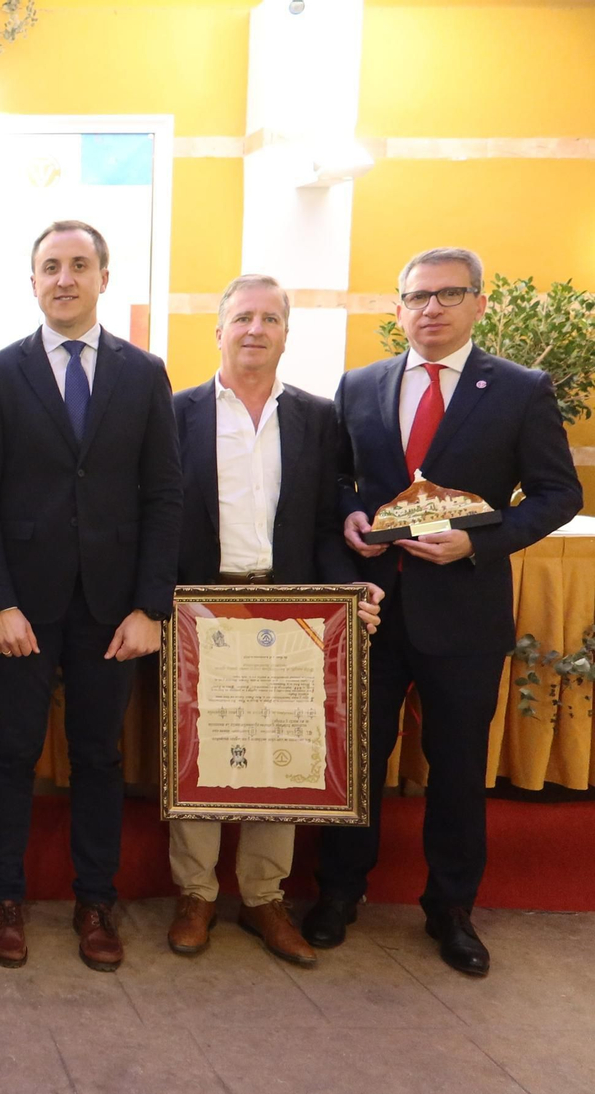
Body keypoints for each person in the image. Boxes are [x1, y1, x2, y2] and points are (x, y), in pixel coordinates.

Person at [306, 247, 581, 976]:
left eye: (448, 294)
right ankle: (338, 893)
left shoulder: (519, 389)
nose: (431, 308)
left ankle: (451, 909)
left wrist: (478, 541)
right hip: (371, 609)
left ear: (478, 303)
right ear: (397, 309)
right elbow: (338, 477)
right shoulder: (359, 385)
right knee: (355, 763)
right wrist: (349, 518)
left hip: (463, 613)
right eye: (417, 297)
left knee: (457, 769)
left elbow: (559, 495)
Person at [0, 219, 182, 972]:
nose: (64, 279)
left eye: (79, 265)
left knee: (98, 756)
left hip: (114, 612)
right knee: (12, 752)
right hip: (24, 606)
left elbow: (165, 497)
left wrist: (151, 607)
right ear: (32, 282)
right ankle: (5, 899)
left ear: (103, 278)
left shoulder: (145, 373)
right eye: (50, 266)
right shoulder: (1, 372)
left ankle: (95, 901)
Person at [166, 274, 382, 966]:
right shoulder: (178, 413)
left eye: (269, 318)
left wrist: (347, 596)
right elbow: (157, 517)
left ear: (287, 332)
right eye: (242, 317)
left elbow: (327, 520)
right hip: (202, 607)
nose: (254, 329)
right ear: (219, 329)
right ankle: (196, 894)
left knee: (277, 755)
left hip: (292, 608)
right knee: (199, 753)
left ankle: (263, 897)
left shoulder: (318, 418)